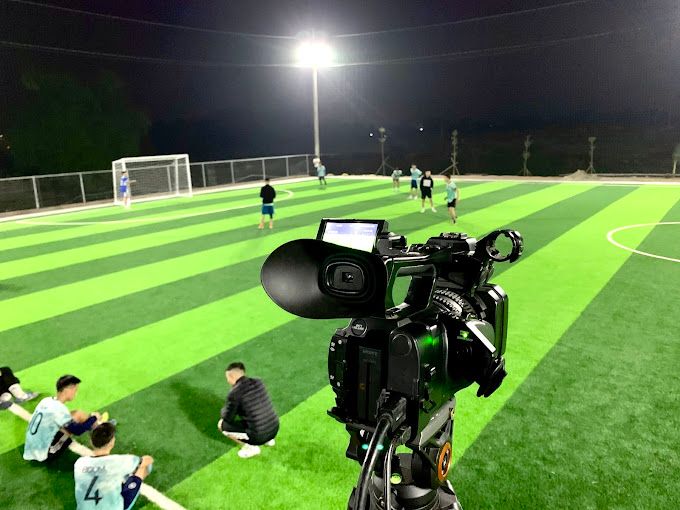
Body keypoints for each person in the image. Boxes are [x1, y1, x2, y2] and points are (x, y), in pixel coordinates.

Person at [24, 375, 110, 462]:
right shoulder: (59, 409)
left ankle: (97, 426)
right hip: (46, 454)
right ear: (67, 390)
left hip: (31, 448)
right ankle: (99, 429)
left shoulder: (47, 400)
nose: (76, 393)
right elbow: (77, 431)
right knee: (75, 422)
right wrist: (94, 418)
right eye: (75, 390)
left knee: (76, 414)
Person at [74, 422, 153, 510]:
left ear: (91, 442)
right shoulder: (119, 461)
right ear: (112, 442)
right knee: (145, 466)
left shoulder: (80, 463)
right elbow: (146, 461)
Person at [217, 362, 279, 459]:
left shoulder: (234, 393)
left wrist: (223, 410)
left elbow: (227, 418)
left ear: (231, 376)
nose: (228, 381)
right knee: (258, 414)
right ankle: (269, 440)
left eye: (227, 378)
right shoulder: (259, 382)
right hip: (274, 428)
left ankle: (251, 448)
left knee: (222, 425)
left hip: (258, 436)